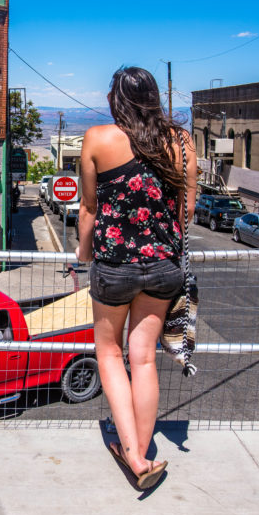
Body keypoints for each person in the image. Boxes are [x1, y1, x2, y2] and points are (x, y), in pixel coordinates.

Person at [74, 66, 196, 490]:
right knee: (142, 358)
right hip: (164, 266)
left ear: (116, 101)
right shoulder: (180, 142)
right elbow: (187, 211)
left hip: (114, 267)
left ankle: (132, 455)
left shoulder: (98, 138)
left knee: (109, 354)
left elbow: (88, 208)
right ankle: (141, 454)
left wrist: (82, 251)